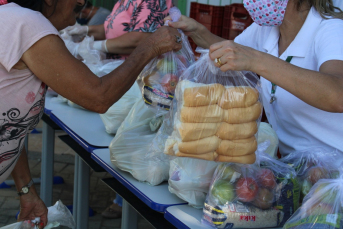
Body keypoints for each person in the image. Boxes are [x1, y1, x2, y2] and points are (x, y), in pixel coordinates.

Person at [0, 0, 181, 228]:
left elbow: (10, 127)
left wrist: (26, 189)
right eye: (75, 2)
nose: (81, 3)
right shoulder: (27, 23)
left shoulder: (13, 18)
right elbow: (98, 97)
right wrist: (150, 47)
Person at [165, 0, 343, 157]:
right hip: (295, 167)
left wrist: (256, 60)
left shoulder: (332, 29)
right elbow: (232, 52)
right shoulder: (266, 30)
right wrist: (197, 31)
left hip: (334, 173)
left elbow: (338, 94)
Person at [66, 0, 174, 218]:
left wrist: (98, 46)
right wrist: (86, 31)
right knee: (111, 133)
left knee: (133, 137)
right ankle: (121, 195)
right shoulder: (124, 1)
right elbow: (112, 28)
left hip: (139, 81)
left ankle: (127, 201)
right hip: (117, 77)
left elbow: (142, 38)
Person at [67, 0, 173, 59]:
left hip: (143, 76)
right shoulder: (123, 2)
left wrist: (95, 46)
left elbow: (140, 39)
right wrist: (84, 30)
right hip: (119, 72)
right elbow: (111, 29)